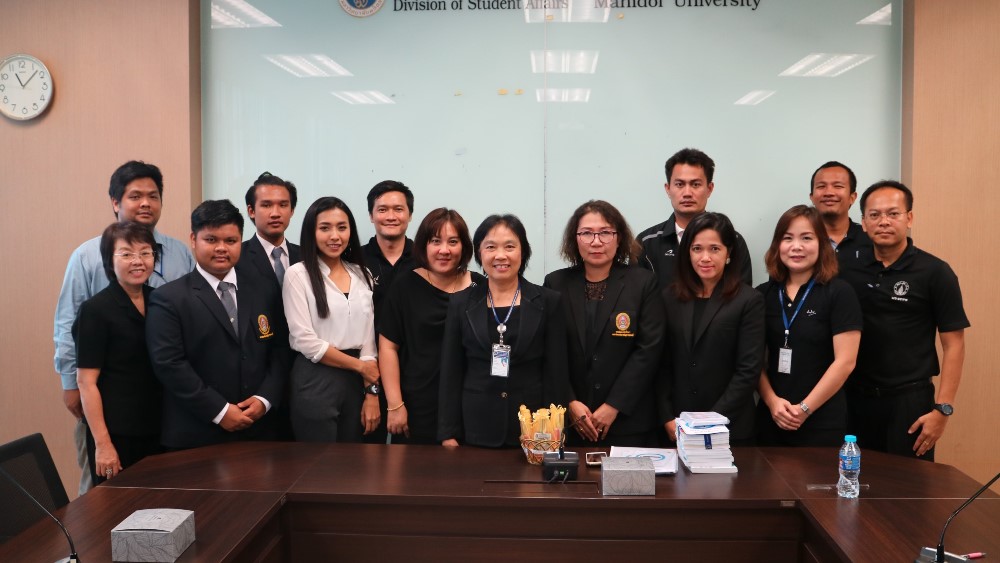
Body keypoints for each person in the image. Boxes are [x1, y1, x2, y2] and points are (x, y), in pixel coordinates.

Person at [54, 160, 194, 493]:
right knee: (103, 496)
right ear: (116, 202)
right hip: (110, 406)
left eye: (153, 196)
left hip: (161, 409)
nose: (145, 203)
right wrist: (70, 384)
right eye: (135, 196)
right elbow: (67, 323)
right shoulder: (87, 258)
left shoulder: (178, 255)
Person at [839, 181, 969, 461]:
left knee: (908, 485)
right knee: (854, 479)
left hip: (910, 402)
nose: (884, 221)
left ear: (909, 218)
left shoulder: (935, 272)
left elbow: (954, 344)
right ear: (864, 223)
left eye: (893, 213)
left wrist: (943, 409)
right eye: (874, 215)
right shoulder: (847, 269)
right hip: (853, 398)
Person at [146, 200, 288, 449]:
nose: (222, 248)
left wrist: (265, 399)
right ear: (193, 239)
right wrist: (220, 411)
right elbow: (169, 364)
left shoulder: (264, 289)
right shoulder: (168, 298)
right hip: (198, 433)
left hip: (260, 429)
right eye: (211, 240)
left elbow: (280, 349)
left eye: (231, 241)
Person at [438, 215, 570, 448]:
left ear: (523, 252)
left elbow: (556, 373)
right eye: (491, 247)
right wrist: (448, 432)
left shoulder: (548, 301)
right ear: (479, 253)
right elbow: (451, 371)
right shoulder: (460, 303)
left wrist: (555, 430)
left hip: (533, 430)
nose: (500, 255)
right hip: (475, 428)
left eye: (509, 246)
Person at [544, 200, 664, 447]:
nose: (596, 241)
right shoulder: (555, 284)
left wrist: (613, 405)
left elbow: (649, 350)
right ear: (575, 239)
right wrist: (570, 402)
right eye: (587, 233)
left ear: (619, 238)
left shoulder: (643, 283)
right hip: (572, 422)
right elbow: (550, 350)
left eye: (606, 233)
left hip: (629, 421)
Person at [755, 205, 862, 447]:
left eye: (806, 238)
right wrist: (772, 402)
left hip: (822, 418)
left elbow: (845, 362)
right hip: (772, 416)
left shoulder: (839, 292)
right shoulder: (762, 295)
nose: (796, 246)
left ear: (822, 244)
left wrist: (804, 409)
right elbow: (751, 360)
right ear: (777, 245)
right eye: (787, 238)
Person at [656, 212, 764, 445]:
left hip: (730, 427)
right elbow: (661, 364)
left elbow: (748, 370)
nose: (705, 257)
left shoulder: (748, 300)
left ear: (729, 253)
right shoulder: (669, 297)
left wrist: (708, 421)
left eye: (714, 249)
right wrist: (666, 417)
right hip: (677, 425)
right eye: (697, 249)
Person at [378, 208, 484, 445]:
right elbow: (388, 347)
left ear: (464, 247)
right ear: (424, 245)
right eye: (436, 241)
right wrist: (395, 404)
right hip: (417, 404)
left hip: (470, 404)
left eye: (453, 242)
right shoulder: (405, 286)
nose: (444, 250)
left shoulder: (480, 288)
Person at [282, 197, 380, 442]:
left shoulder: (362, 274)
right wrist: (359, 367)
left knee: (355, 459)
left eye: (342, 227)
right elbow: (304, 340)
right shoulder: (298, 274)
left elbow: (369, 342)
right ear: (311, 232)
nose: (335, 236)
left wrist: (372, 393)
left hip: (356, 382)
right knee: (318, 460)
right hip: (316, 378)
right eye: (325, 228)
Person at [74, 222, 163, 485]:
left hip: (158, 428)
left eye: (145, 253)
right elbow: (86, 382)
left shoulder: (160, 300)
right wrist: (103, 444)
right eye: (126, 254)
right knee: (117, 506)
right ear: (109, 261)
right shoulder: (95, 310)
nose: (138, 261)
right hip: (117, 434)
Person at [235, 171, 302, 440]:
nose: (275, 212)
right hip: (257, 381)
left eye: (283, 205)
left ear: (292, 210)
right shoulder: (236, 258)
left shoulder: (307, 256)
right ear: (251, 211)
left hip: (304, 375)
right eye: (266, 205)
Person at [637, 148, 753, 289]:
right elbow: (637, 295)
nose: (687, 193)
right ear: (668, 189)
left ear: (709, 189)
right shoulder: (646, 243)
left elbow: (743, 296)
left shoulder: (732, 240)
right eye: (679, 184)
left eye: (695, 184)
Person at [361, 180, 416, 444]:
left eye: (398, 209)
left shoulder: (425, 259)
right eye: (382, 210)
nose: (391, 216)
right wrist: (371, 389)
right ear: (371, 215)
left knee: (414, 458)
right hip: (366, 374)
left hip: (415, 374)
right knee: (365, 458)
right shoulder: (353, 260)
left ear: (410, 215)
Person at [809, 161, 871, 264]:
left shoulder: (871, 239)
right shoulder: (799, 241)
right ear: (812, 197)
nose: (829, 193)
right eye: (821, 186)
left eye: (838, 186)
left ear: (852, 197)